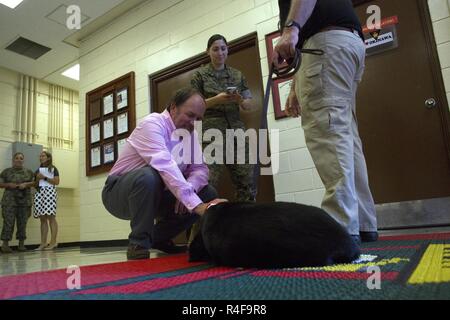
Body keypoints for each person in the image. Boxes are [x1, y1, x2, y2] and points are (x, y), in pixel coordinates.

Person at [273, 0, 378, 243]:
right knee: (346, 135)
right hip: (346, 45)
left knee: (328, 132)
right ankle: (364, 223)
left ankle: (341, 225)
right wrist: (294, 88)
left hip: (326, 44)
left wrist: (291, 29)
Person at [102, 87, 227, 260]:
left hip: (157, 194)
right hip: (117, 193)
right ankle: (139, 243)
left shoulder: (190, 135)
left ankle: (159, 238)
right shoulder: (152, 124)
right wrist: (195, 204)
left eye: (198, 119)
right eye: (190, 115)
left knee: (207, 192)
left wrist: (190, 188)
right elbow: (164, 165)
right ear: (173, 107)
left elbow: (200, 169)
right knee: (149, 176)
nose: (193, 123)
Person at [190, 34, 257, 203]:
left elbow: (248, 105)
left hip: (237, 134)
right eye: (215, 49)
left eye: (223, 48)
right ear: (208, 52)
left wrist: (240, 99)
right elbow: (193, 106)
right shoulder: (199, 75)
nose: (220, 52)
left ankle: (246, 225)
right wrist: (217, 99)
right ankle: (202, 227)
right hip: (211, 134)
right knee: (206, 184)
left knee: (247, 182)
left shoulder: (237, 75)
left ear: (227, 50)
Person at [0, 152, 35, 253]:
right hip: (9, 201)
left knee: (22, 223)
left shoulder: (29, 172)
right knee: (8, 223)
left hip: (24, 202)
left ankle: (21, 245)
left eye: (21, 158)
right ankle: (5, 245)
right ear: (13, 160)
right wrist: (8, 185)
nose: (19, 160)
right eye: (17, 158)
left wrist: (26, 184)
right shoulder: (6, 172)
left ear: (23, 160)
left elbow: (35, 182)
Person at [33, 151, 60, 250]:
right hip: (39, 193)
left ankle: (53, 242)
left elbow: (56, 182)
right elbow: (35, 185)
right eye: (40, 156)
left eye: (43, 156)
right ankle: (43, 243)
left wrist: (44, 177)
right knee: (42, 219)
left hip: (49, 193)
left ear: (48, 158)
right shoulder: (37, 170)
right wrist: (37, 179)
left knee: (51, 217)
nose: (41, 157)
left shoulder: (53, 169)